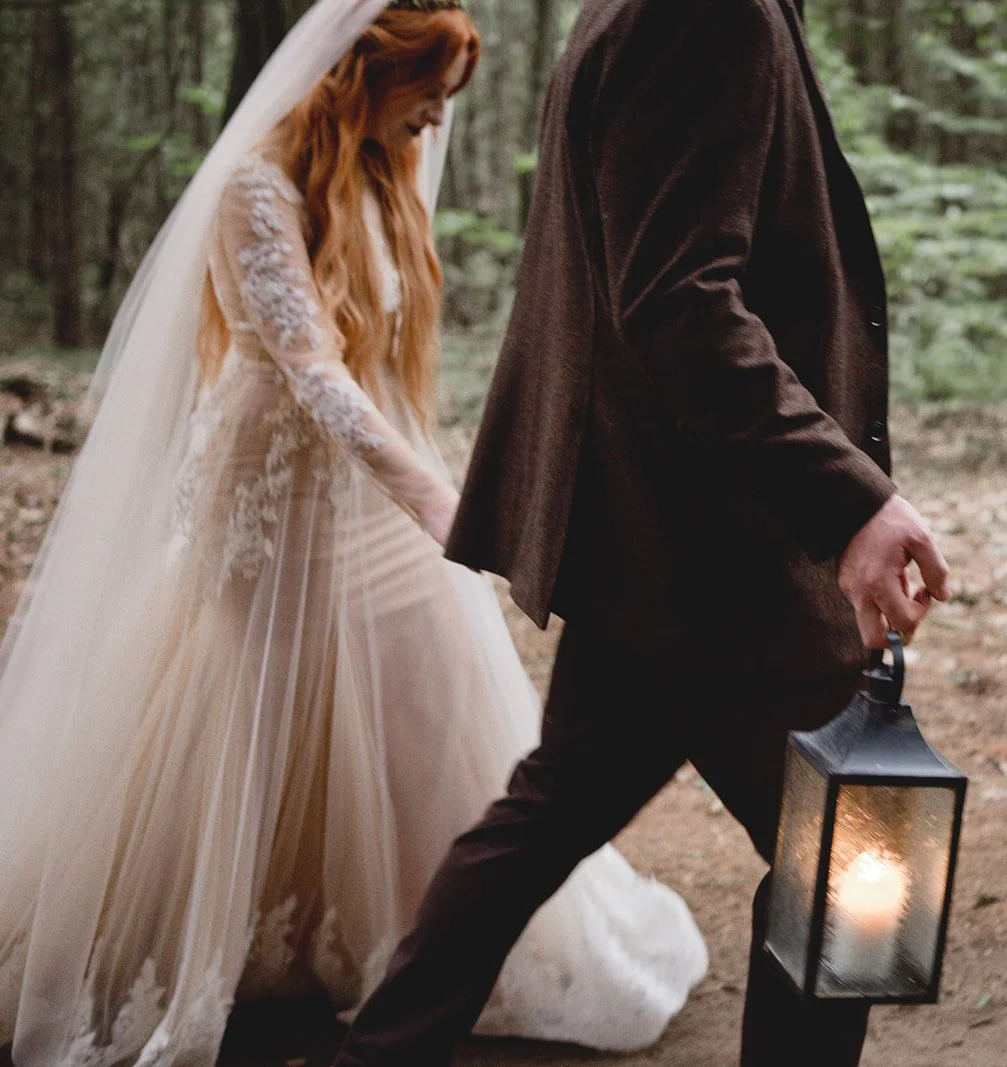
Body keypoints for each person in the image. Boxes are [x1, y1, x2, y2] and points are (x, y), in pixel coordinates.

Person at [0, 3, 707, 1065]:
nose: (436, 118)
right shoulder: (253, 185)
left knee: (427, 690)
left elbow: (380, 360)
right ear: (363, 75)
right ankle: (213, 932)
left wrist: (443, 479)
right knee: (252, 711)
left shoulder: (383, 170)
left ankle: (435, 938)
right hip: (272, 490)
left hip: (373, 483)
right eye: (427, 92)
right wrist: (436, 500)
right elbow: (312, 371)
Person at [332, 0, 951, 1063]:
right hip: (721, 545)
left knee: (548, 812)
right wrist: (847, 499)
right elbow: (676, 303)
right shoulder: (706, 13)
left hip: (653, 540)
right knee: (851, 850)